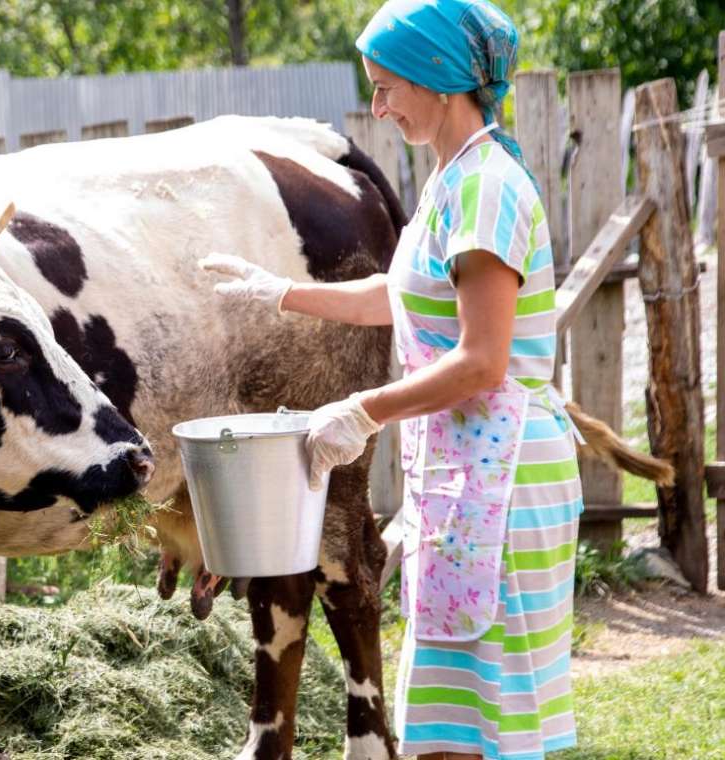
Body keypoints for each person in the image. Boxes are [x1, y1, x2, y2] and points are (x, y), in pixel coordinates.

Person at [198, 1, 583, 757]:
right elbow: (399, 296)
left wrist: (362, 410)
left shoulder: (486, 190)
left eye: (386, 88)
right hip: (468, 477)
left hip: (505, 484)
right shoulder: (451, 179)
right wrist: (279, 290)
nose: (376, 108)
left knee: (486, 734)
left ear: (439, 79)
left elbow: (482, 362)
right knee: (447, 730)